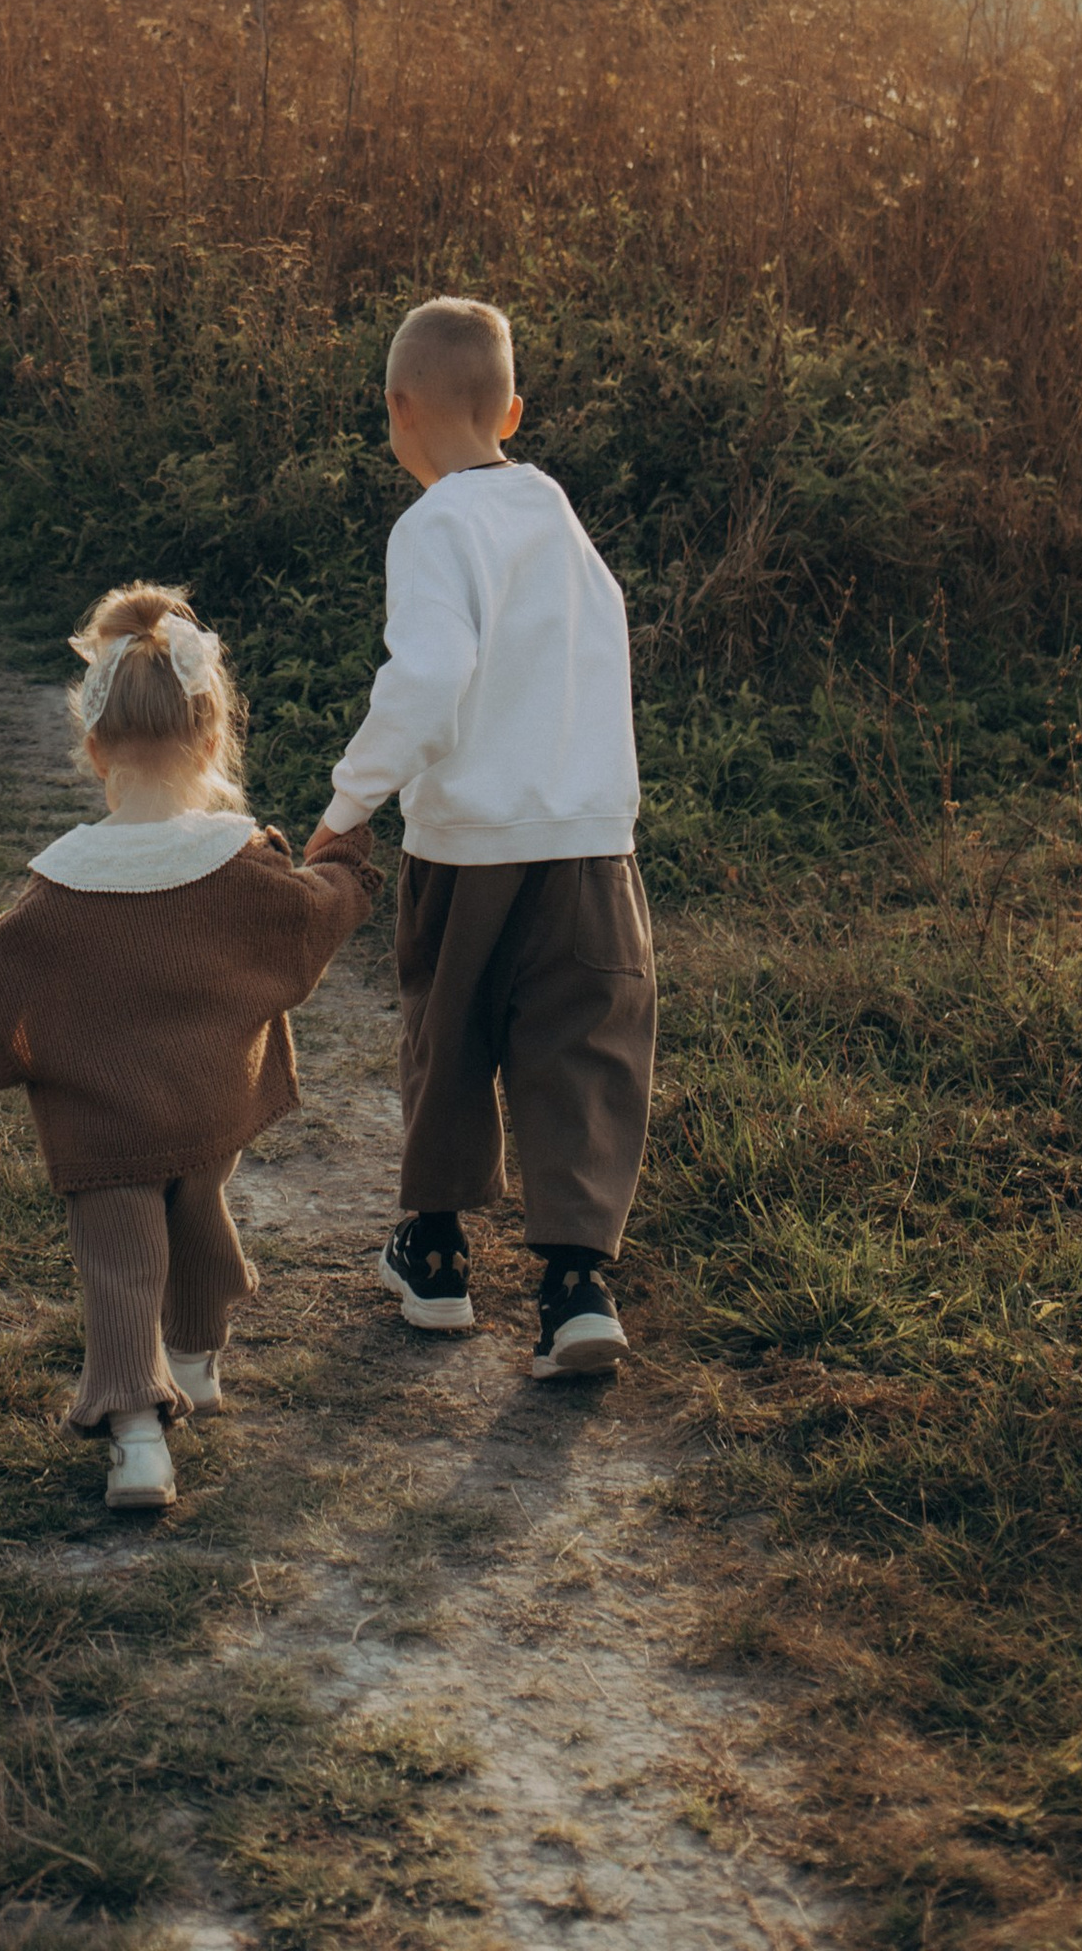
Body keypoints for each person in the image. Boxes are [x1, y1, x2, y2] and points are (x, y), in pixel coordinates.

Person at [0, 586, 375, 1512]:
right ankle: (197, 1365)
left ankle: (137, 1442)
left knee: (122, 1268)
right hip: (209, 1106)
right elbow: (312, 917)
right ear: (211, 741)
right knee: (200, 1213)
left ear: (92, 752)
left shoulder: (57, 895)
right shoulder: (245, 865)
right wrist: (345, 865)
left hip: (106, 1135)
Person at [304, 295, 653, 1382]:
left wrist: (344, 808)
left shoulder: (433, 525)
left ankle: (439, 1251)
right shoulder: (552, 510)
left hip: (469, 849)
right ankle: (573, 1285)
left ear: (395, 411)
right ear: (512, 411)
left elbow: (431, 679)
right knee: (581, 1046)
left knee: (448, 1035)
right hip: (590, 843)